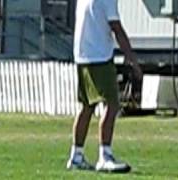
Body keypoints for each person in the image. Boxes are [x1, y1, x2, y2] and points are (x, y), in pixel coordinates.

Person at [66, 0, 142, 173]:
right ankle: (105, 155)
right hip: (99, 57)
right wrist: (132, 58)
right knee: (112, 105)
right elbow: (116, 28)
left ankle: (76, 155)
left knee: (87, 106)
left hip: (82, 56)